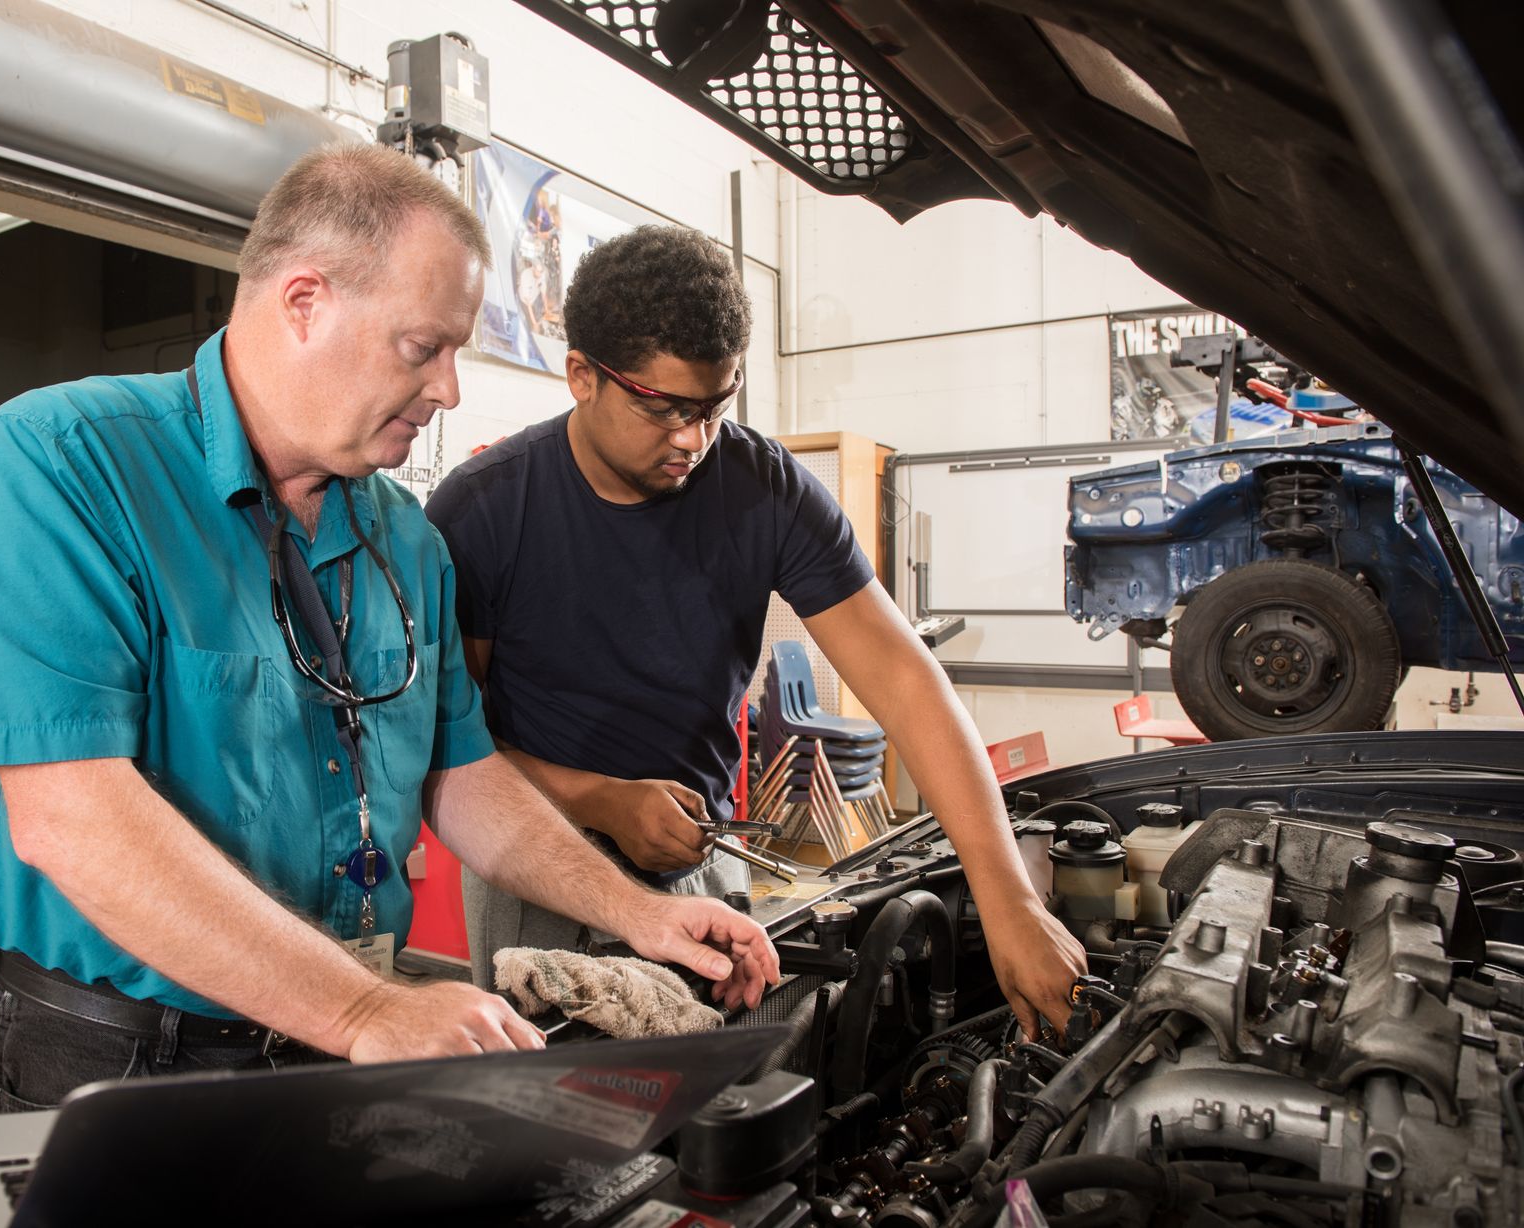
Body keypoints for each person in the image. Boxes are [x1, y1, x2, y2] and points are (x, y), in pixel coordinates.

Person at [0, 147, 779, 1116]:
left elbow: (461, 771)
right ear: (303, 303)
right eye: (424, 348)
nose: (450, 390)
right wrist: (370, 1007)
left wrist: (642, 914)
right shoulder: (62, 467)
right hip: (116, 1061)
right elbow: (71, 816)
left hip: (327, 1046)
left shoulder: (402, 539)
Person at [425, 225, 1085, 1039]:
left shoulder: (762, 487)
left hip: (708, 854)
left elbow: (905, 680)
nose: (692, 440)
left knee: (730, 1098)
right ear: (581, 376)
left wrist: (1007, 896)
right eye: (663, 408)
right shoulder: (487, 511)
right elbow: (447, 745)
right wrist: (599, 799)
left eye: (715, 407)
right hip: (545, 865)